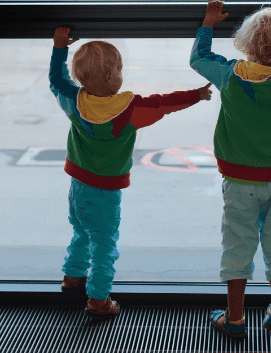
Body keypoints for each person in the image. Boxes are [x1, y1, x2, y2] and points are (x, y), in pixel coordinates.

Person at [50, 27, 212, 320]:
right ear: (113, 77)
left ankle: (72, 278)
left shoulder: (72, 101)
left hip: (77, 186)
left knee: (81, 232)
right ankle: (98, 300)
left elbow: (56, 80)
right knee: (104, 245)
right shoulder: (131, 109)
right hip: (105, 191)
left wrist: (59, 47)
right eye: (120, 70)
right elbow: (163, 103)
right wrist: (197, 95)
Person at [189, 1, 271, 339]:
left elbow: (198, 59)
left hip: (238, 182)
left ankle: (236, 318)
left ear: (245, 43)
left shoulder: (229, 74)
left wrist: (208, 24)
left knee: (238, 248)